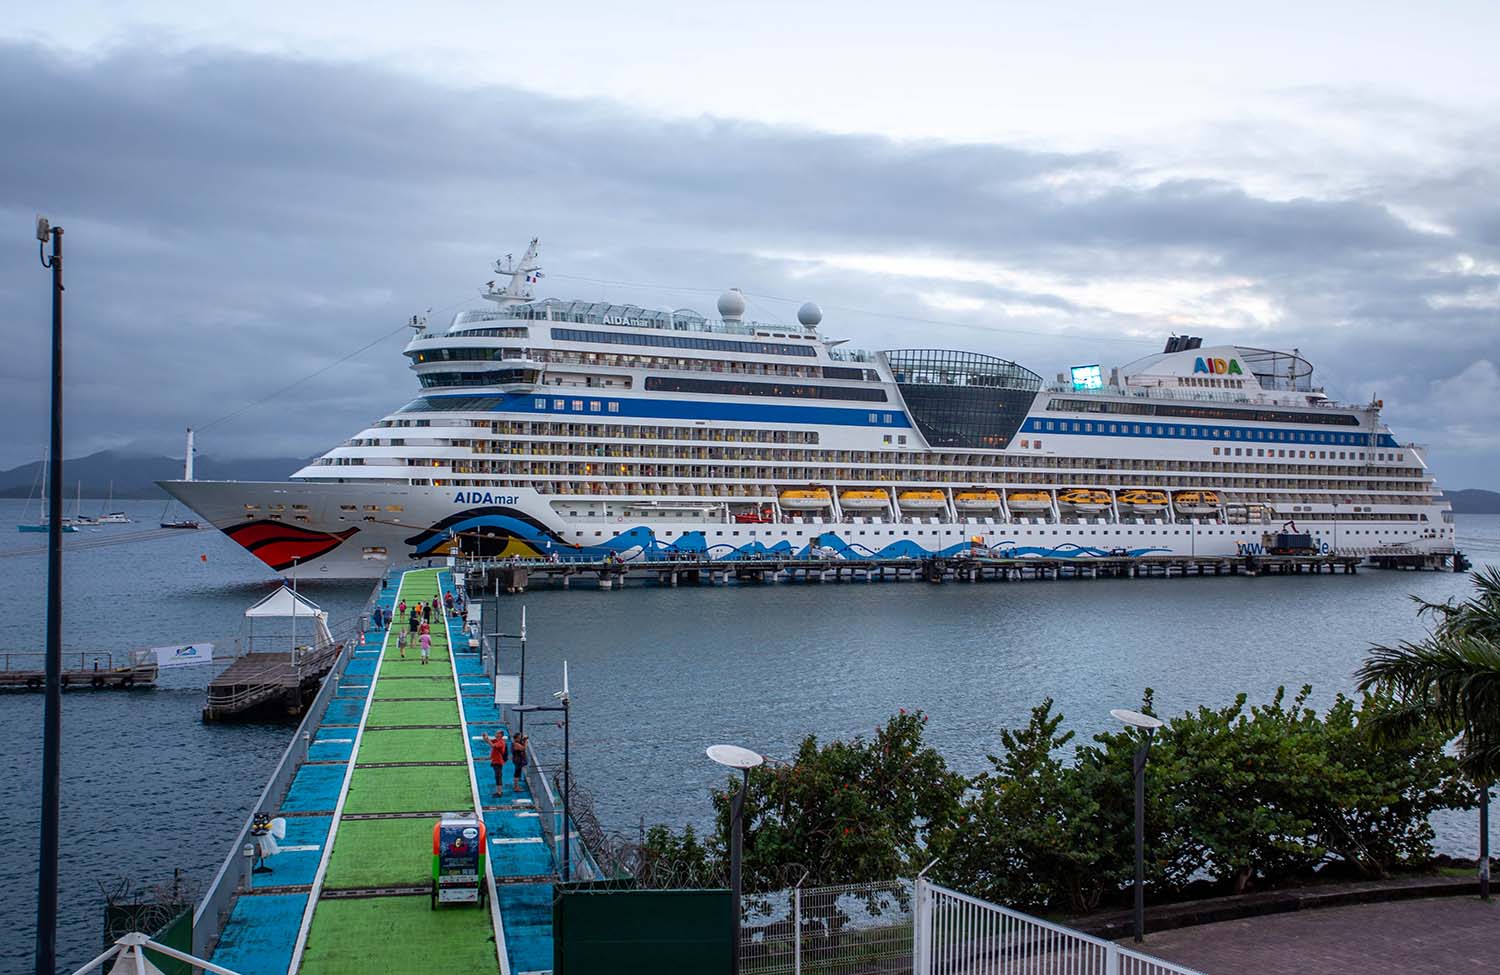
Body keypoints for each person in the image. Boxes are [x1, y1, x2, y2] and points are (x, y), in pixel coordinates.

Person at [481, 730, 508, 797]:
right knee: (497, 776)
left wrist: (487, 738)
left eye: (497, 733)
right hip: (495, 761)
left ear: (501, 735)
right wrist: (485, 737)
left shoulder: (501, 742)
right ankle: (499, 791)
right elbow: (488, 742)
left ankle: (499, 792)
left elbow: (492, 745)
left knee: (498, 777)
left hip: (498, 761)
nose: (495, 734)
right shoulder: (496, 740)